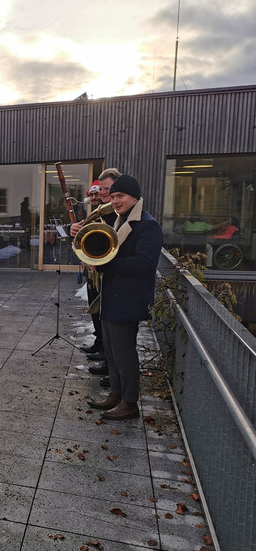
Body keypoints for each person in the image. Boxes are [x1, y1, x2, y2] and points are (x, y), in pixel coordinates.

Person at [86, 175, 162, 419]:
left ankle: (129, 403)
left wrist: (106, 265)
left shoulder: (147, 225)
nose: (115, 200)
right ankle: (115, 395)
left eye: (120, 196)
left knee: (125, 353)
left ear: (135, 198)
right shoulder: (121, 220)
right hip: (112, 297)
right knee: (111, 350)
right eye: (114, 196)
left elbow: (146, 263)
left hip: (128, 300)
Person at [71, 169, 120, 381]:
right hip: (96, 272)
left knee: (112, 326)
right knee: (98, 314)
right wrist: (76, 230)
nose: (100, 194)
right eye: (100, 190)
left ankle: (112, 367)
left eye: (106, 190)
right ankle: (103, 351)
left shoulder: (119, 214)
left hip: (113, 276)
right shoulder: (98, 212)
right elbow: (85, 237)